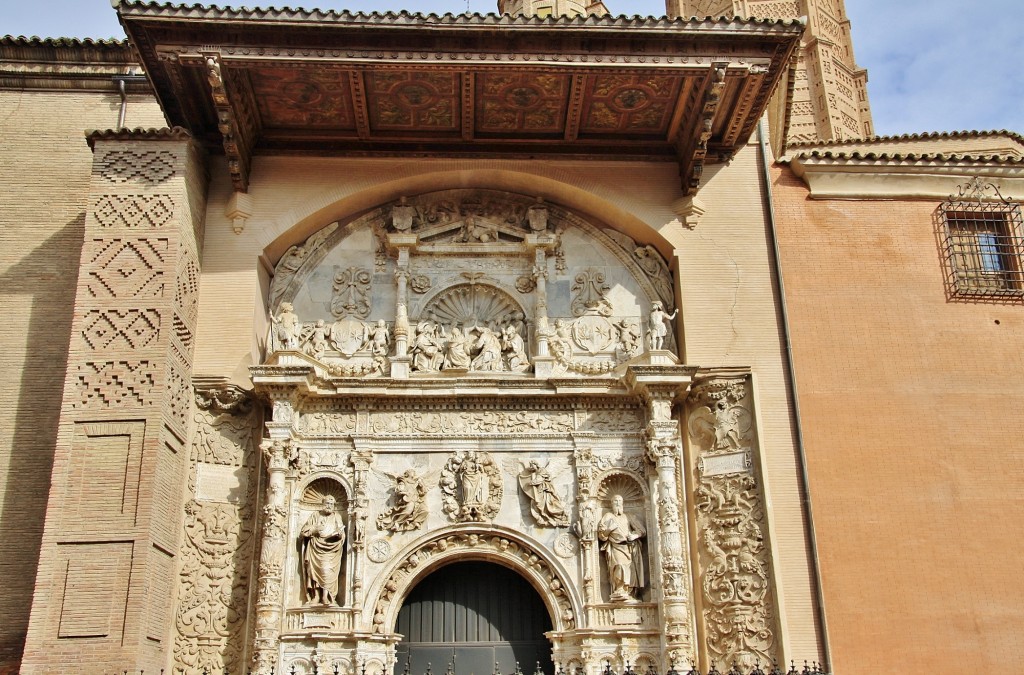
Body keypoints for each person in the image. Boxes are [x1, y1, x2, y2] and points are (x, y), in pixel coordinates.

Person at [597, 495, 646, 602]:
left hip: (629, 547)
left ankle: (629, 592)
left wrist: (634, 536)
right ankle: (619, 589)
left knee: (631, 570)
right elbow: (601, 536)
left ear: (623, 503)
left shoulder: (629, 516)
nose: (618, 503)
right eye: (615, 501)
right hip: (615, 547)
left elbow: (642, 530)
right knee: (619, 565)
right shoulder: (608, 516)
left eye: (620, 501)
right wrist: (609, 529)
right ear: (611, 503)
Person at [300, 495, 346, 605]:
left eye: (331, 504)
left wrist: (339, 535)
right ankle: (316, 596)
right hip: (315, 548)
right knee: (313, 572)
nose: (329, 506)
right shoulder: (315, 515)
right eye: (327, 503)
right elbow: (304, 532)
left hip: (331, 549)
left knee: (327, 572)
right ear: (323, 504)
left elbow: (342, 533)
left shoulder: (337, 516)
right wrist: (314, 529)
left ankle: (326, 596)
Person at [518, 460, 568, 527]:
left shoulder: (542, 470)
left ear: (536, 464)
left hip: (545, 490)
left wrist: (531, 482)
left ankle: (560, 515)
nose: (531, 467)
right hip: (539, 491)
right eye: (531, 466)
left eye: (532, 465)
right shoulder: (535, 472)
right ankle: (541, 519)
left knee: (548, 504)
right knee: (536, 504)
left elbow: (539, 479)